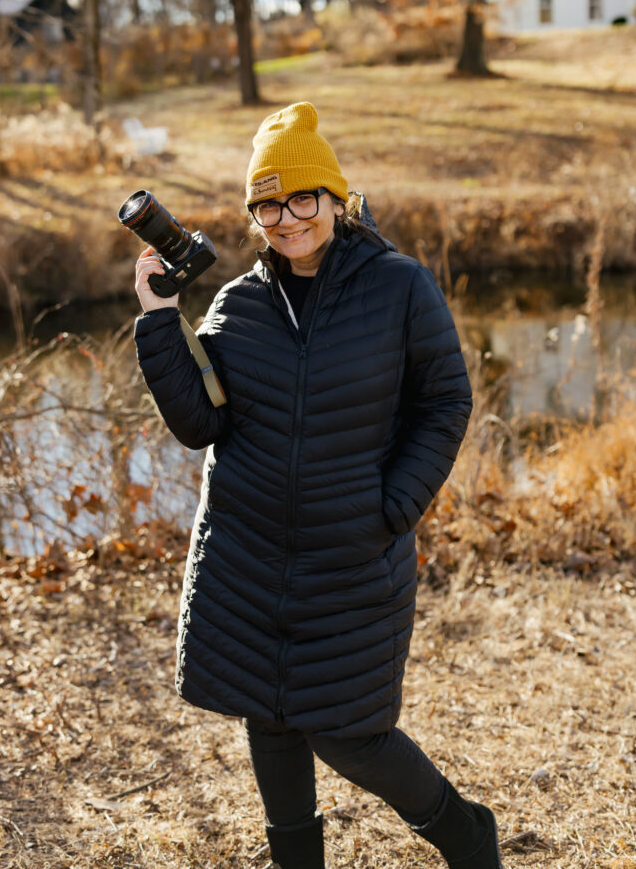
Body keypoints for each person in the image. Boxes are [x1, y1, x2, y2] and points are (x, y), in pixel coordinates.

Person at [133, 102, 502, 869]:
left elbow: (445, 402)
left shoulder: (398, 287)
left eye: (302, 198)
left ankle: (466, 836)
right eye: (267, 206)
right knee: (268, 719)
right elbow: (200, 423)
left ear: (336, 198)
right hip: (246, 558)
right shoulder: (237, 304)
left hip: (350, 555)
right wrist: (159, 318)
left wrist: (393, 507)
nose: (287, 219)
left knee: (349, 732)